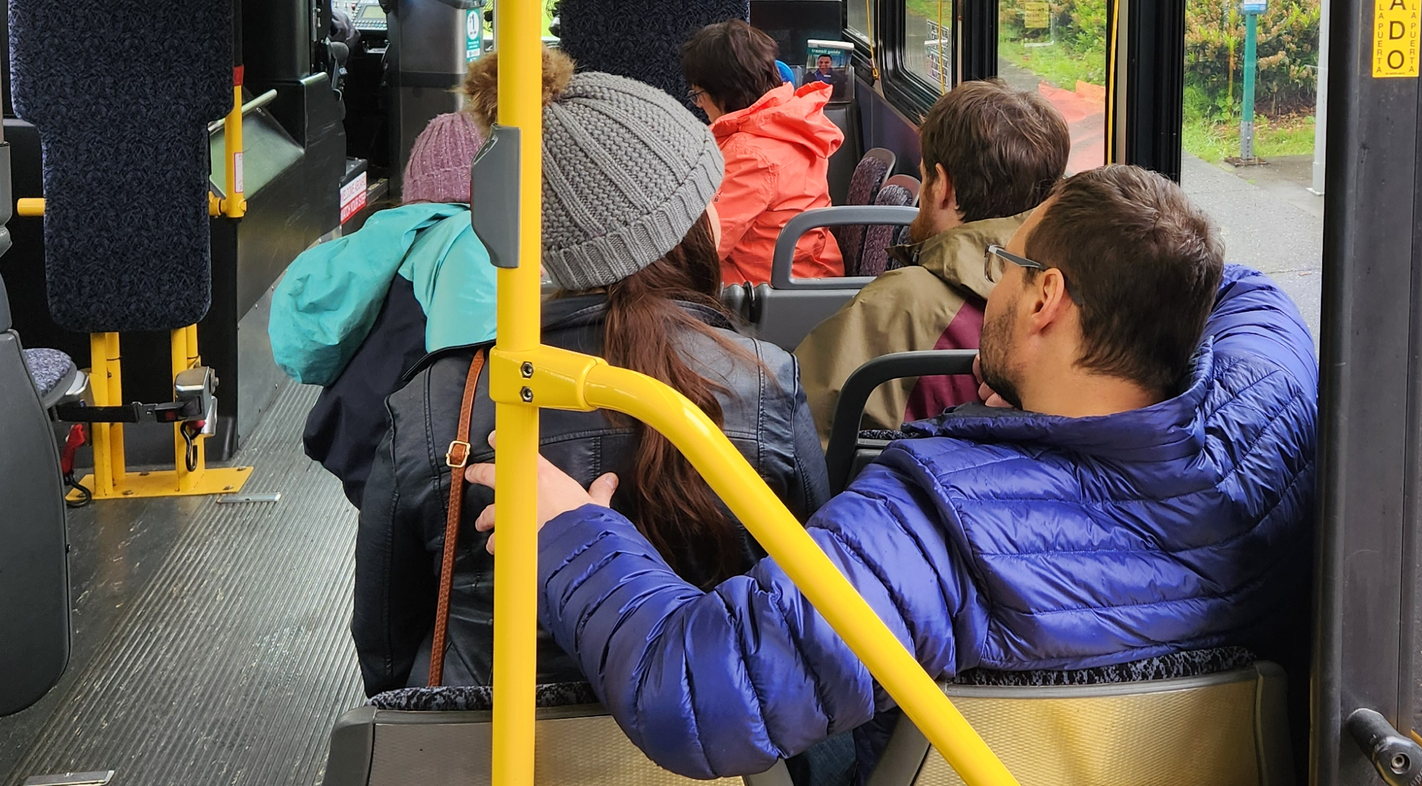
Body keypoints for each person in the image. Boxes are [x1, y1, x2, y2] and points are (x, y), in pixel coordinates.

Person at [467, 165, 1317, 780]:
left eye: (1007, 268)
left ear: (1047, 297)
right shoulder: (1265, 408)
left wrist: (569, 532)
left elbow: (695, 693)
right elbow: (1235, 287)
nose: (995, 284)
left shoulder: (936, 527)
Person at [351, 69, 828, 695]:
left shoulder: (438, 401)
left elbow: (385, 639)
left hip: (483, 730)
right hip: (715, 717)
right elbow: (811, 600)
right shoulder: (761, 381)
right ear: (677, 228)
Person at [794, 78, 1070, 432]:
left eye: (924, 176)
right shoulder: (1075, 304)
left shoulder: (900, 303)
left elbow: (802, 435)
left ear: (941, 185)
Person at [273, 107, 495, 505]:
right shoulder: (470, 242)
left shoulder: (397, 238)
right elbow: (469, 381)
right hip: (425, 467)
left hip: (374, 449)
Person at [681, 19, 844, 286]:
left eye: (698, 94)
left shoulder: (752, 154)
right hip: (808, 270)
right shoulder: (793, 120)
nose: (699, 105)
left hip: (768, 289)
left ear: (723, 94)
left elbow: (704, 249)